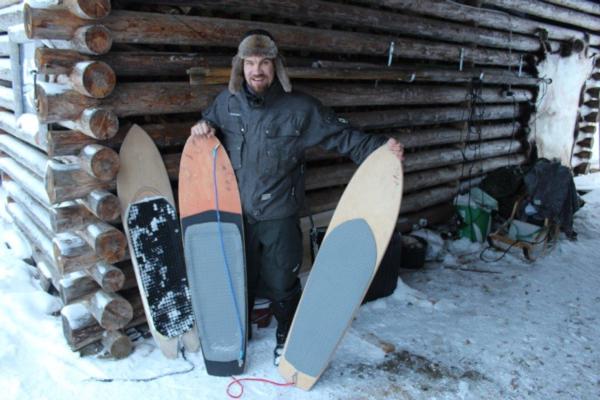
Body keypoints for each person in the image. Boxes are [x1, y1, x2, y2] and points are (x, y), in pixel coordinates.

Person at [191, 29, 404, 365]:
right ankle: (237, 335)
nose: (256, 69)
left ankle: (285, 338)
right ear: (240, 67)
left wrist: (380, 150)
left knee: (282, 280)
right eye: (249, 62)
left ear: (277, 66)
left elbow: (342, 136)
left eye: (264, 62)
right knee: (237, 276)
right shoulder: (226, 103)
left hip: (279, 212)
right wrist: (201, 127)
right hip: (236, 213)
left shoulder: (300, 108)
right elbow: (208, 125)